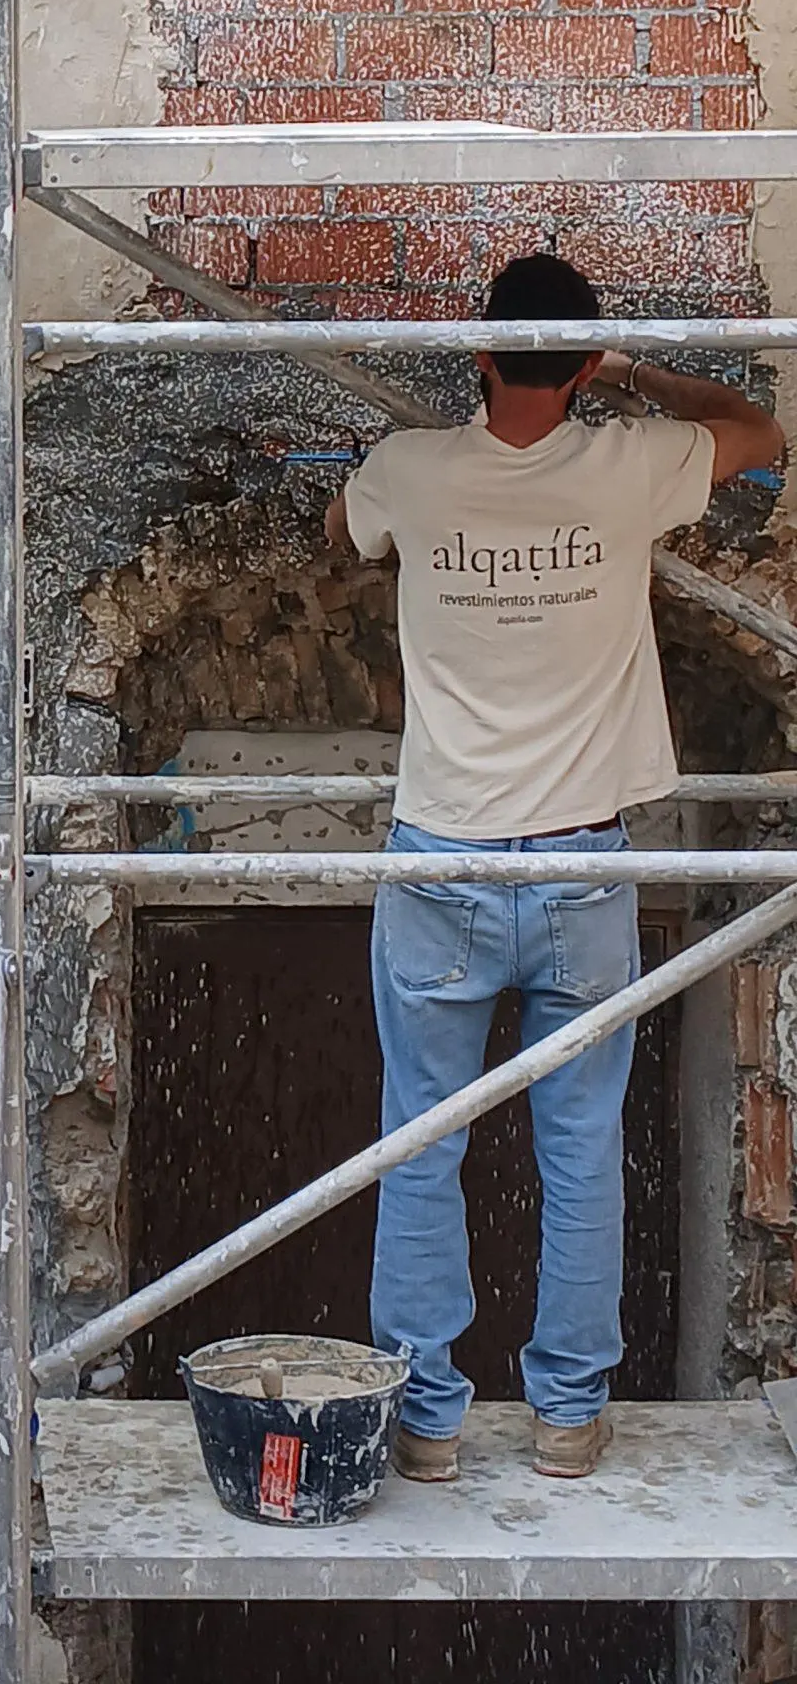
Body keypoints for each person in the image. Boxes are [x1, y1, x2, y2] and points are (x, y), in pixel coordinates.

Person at [324, 251, 785, 1483]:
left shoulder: (411, 473)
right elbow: (758, 426)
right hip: (582, 863)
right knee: (580, 1146)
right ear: (582, 364)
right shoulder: (634, 464)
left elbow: (338, 525)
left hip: (443, 860)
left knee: (421, 1140)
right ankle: (569, 1417)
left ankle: (425, 1421)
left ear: (479, 354)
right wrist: (632, 371)